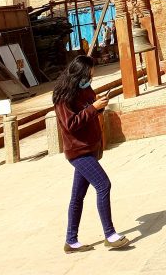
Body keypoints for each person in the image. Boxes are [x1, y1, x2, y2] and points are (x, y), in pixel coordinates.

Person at [52, 54, 130, 253]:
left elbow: (90, 111)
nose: (91, 79)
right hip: (78, 150)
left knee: (77, 196)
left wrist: (99, 107)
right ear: (79, 74)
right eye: (89, 75)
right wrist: (93, 109)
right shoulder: (63, 97)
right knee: (103, 185)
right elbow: (70, 125)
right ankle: (110, 234)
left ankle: (71, 240)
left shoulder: (85, 89)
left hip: (91, 147)